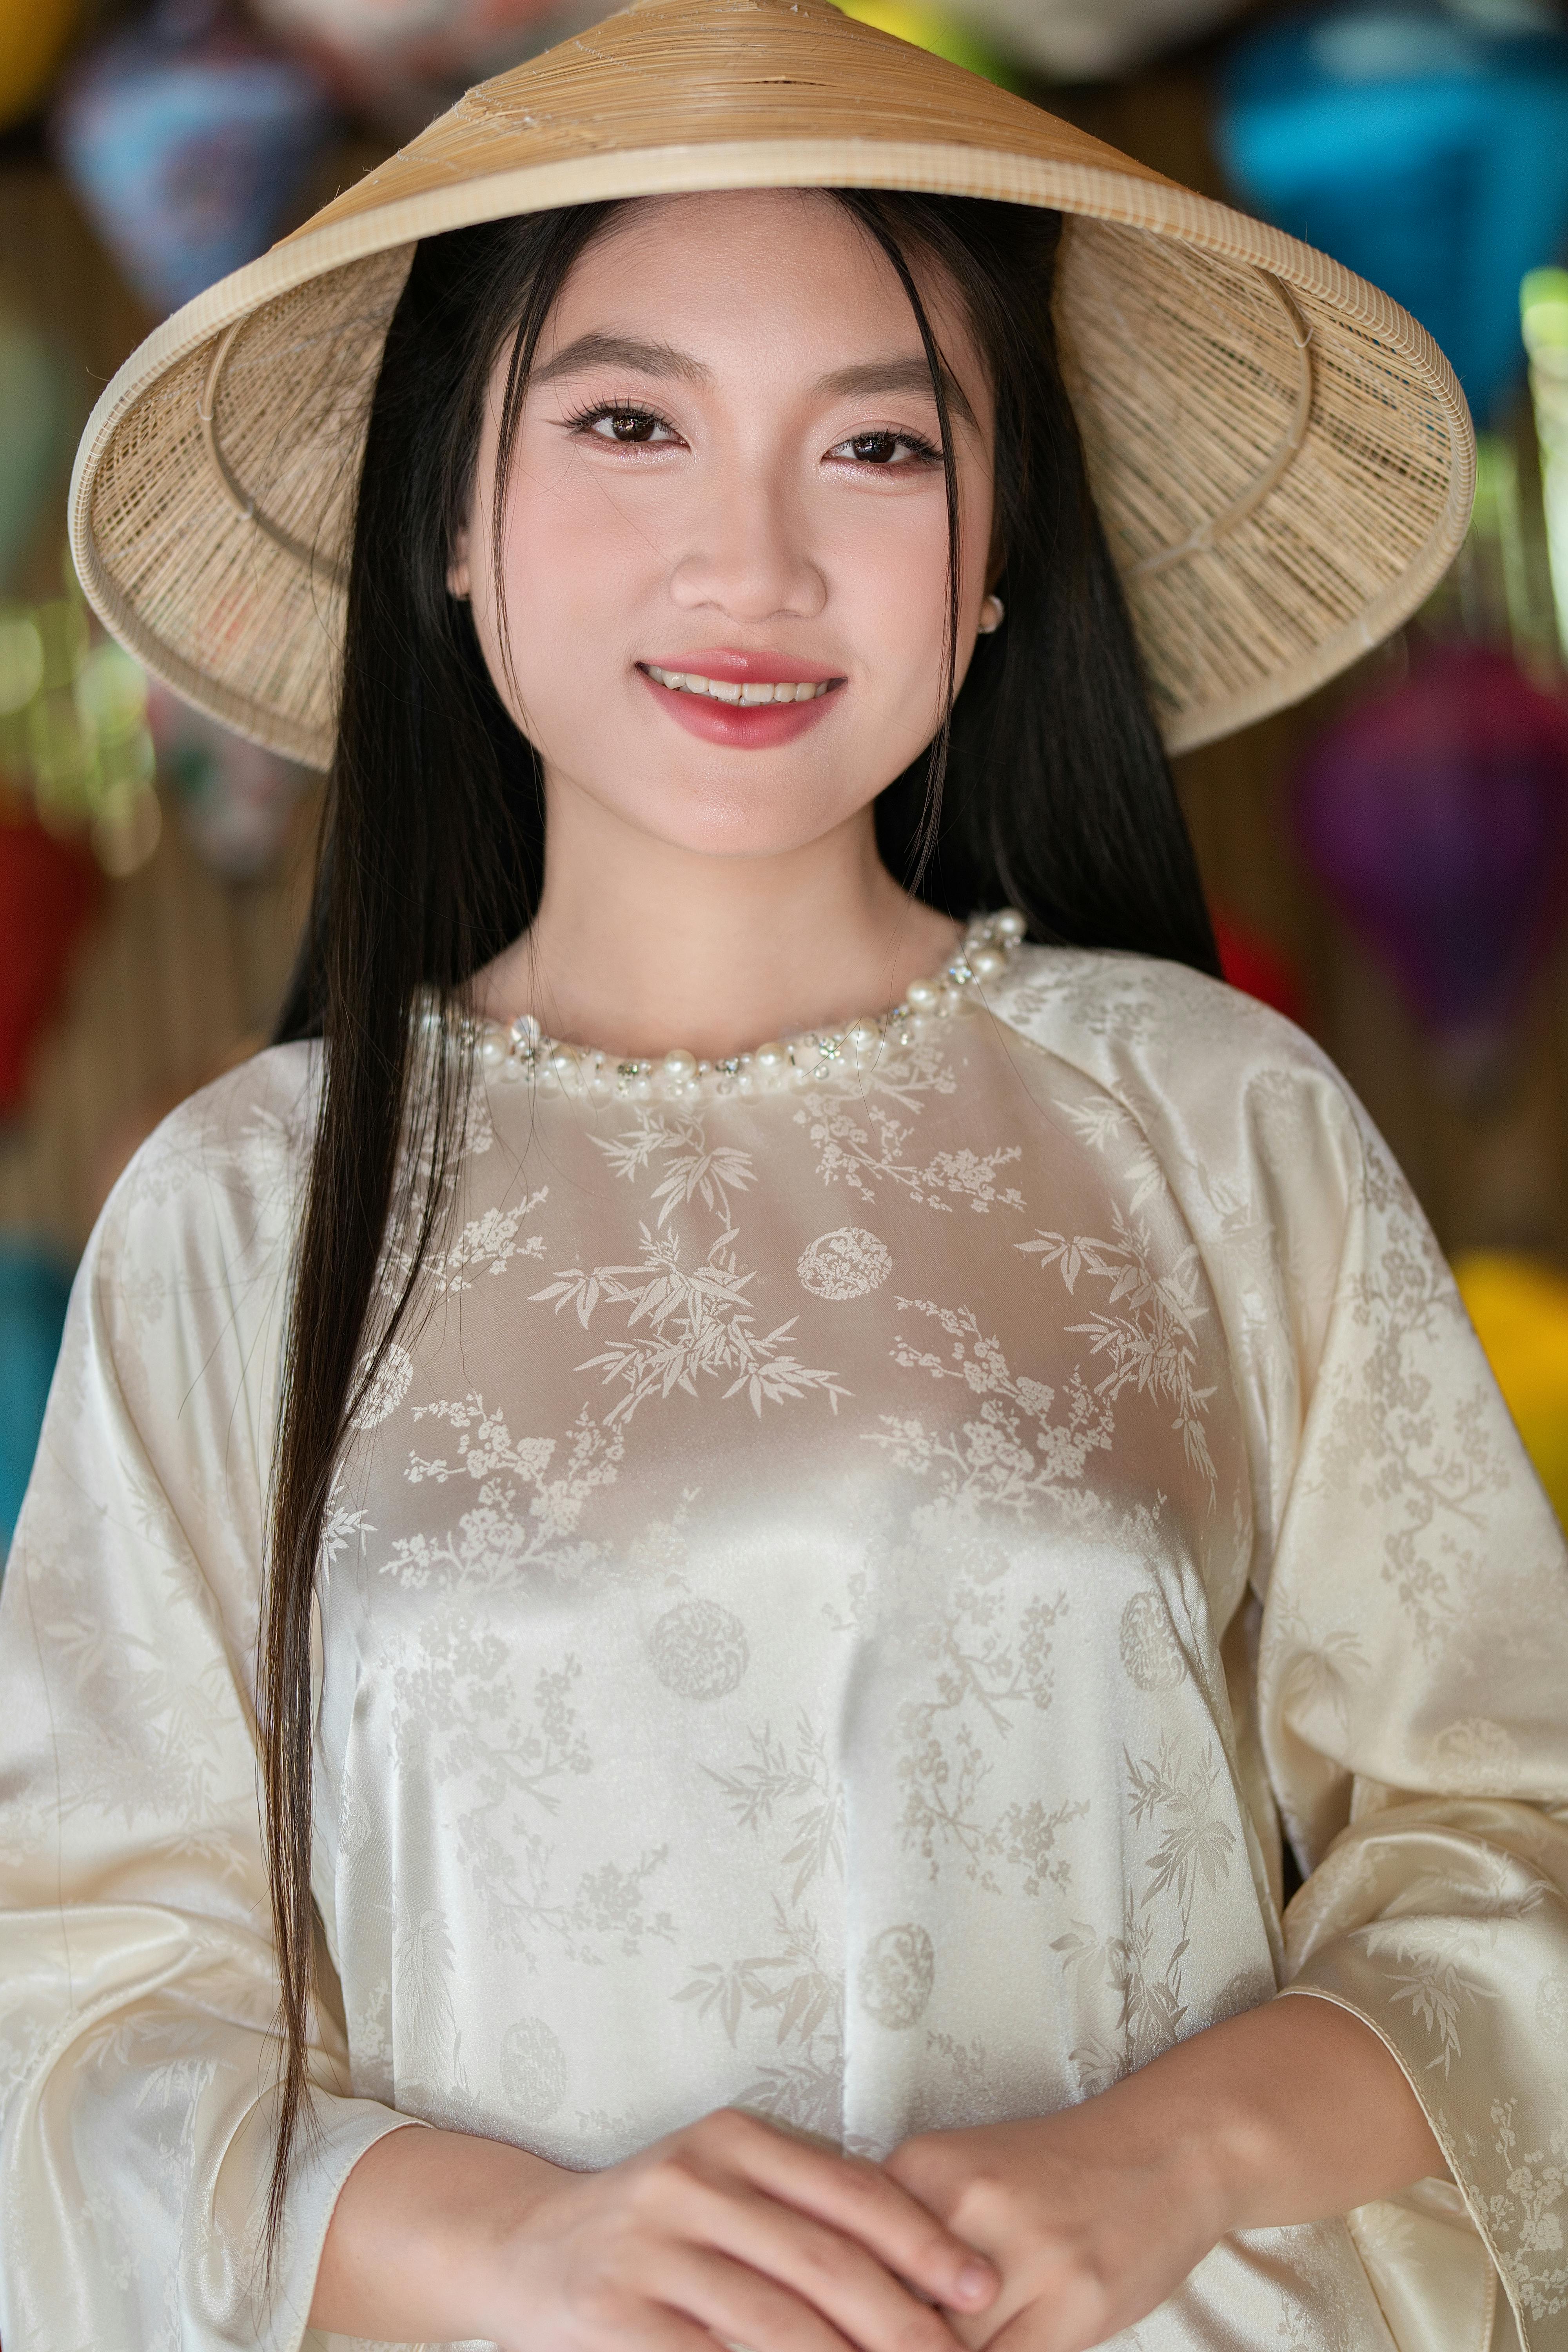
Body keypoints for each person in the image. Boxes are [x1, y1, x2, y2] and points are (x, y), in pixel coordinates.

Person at [4, 3, 1566, 2348]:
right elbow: (73, 2008)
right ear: (448, 510)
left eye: (879, 449)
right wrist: (502, 2243)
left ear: (999, 554)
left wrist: (1177, 2157)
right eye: (630, 421)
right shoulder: (246, 1214)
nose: (756, 558)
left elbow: (1515, 1838)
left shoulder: (1211, 1121)